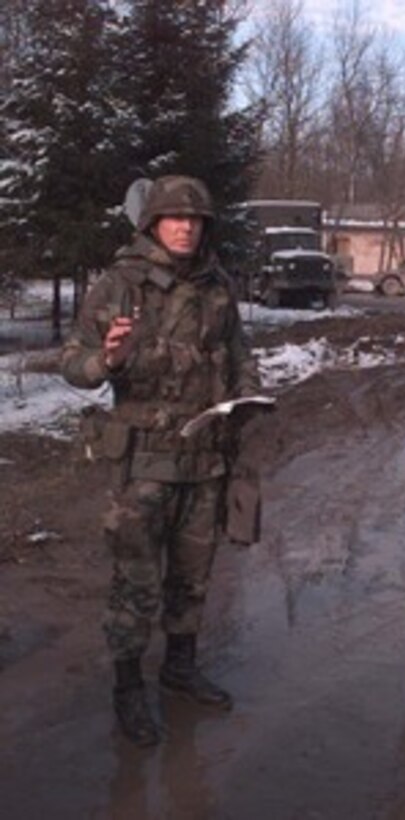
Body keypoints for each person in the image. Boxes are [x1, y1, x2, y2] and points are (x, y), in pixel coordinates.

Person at [62, 175, 262, 747]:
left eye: (196, 220)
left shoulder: (217, 284)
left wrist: (247, 393)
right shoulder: (121, 285)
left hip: (207, 460)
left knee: (192, 578)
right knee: (136, 583)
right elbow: (74, 363)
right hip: (145, 465)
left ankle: (179, 668)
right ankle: (128, 689)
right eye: (175, 218)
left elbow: (239, 353)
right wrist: (105, 359)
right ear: (152, 223)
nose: (186, 227)